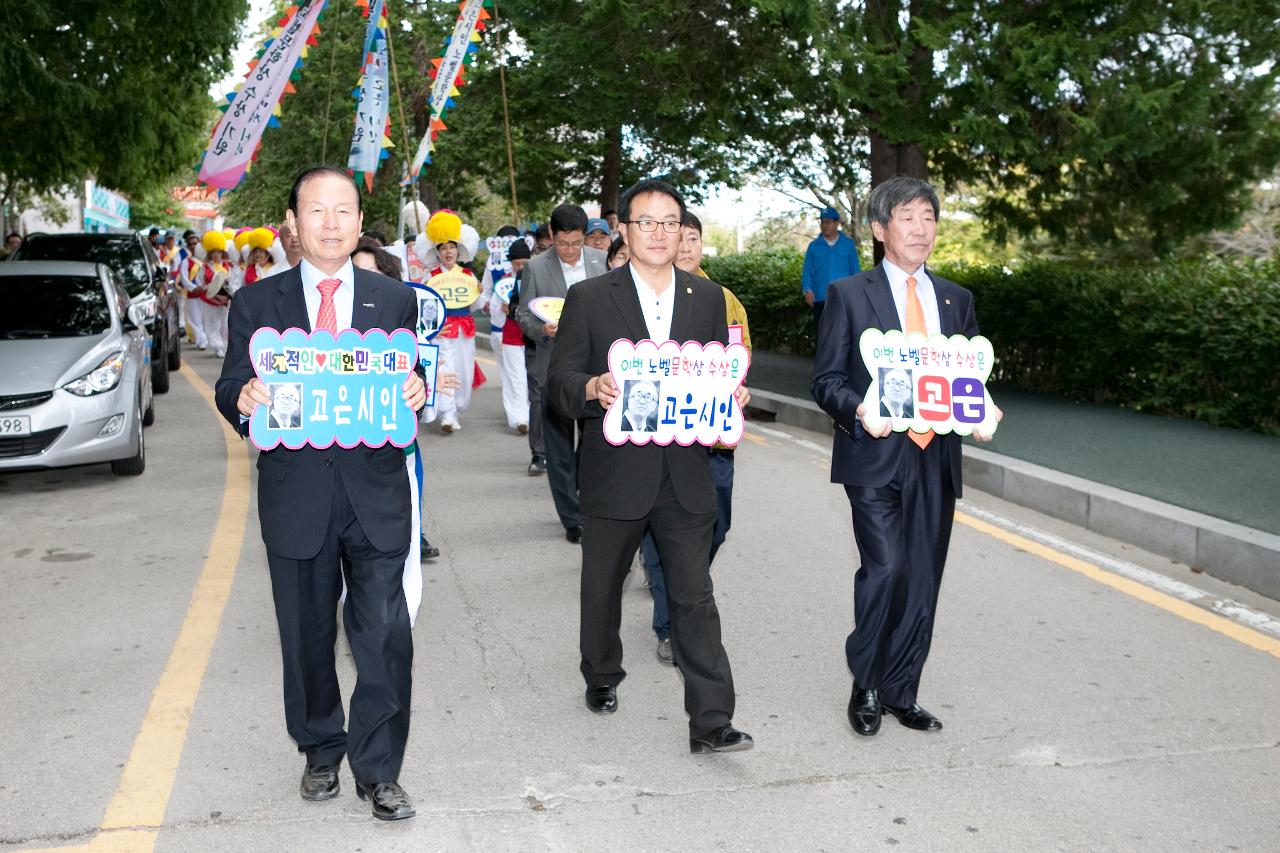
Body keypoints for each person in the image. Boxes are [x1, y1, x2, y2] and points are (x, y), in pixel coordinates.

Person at [214, 166, 427, 821]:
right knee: (305, 634)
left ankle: (380, 768)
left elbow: (407, 373)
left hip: (375, 495)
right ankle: (319, 747)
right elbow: (229, 386)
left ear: (361, 222)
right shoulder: (258, 304)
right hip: (296, 496)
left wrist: (416, 386)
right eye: (316, 211)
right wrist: (242, 398)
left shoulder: (394, 300)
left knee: (386, 633)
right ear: (293, 223)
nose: (331, 224)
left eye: (343, 211)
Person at [546, 178, 753, 754]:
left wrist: (729, 399)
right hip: (615, 472)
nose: (659, 233)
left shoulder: (706, 299)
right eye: (646, 222)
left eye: (670, 223)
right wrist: (590, 386)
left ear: (682, 232)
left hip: (685, 475)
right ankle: (601, 672)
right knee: (603, 587)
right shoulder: (591, 298)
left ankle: (712, 718)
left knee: (694, 595)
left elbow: (717, 375)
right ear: (626, 231)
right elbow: (558, 384)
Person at [810, 176, 1000, 739]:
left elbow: (968, 380)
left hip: (935, 458)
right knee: (886, 568)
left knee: (921, 578)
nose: (920, 229)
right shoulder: (849, 294)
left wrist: (983, 412)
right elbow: (825, 381)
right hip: (874, 454)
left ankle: (901, 691)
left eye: (929, 218)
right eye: (907, 217)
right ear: (879, 228)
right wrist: (860, 409)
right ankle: (864, 682)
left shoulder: (956, 300)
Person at [638, 210, 752, 665]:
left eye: (692, 239)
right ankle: (670, 624)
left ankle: (684, 587)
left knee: (714, 528)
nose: (684, 247)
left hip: (712, 439)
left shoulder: (724, 301)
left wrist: (737, 386)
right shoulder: (640, 297)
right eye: (676, 236)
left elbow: (739, 358)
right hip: (656, 442)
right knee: (665, 532)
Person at [516, 204, 608, 544]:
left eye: (576, 243)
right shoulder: (536, 268)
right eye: (563, 243)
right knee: (558, 450)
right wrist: (544, 329)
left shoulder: (601, 263)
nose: (570, 250)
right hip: (554, 369)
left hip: (596, 372)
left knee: (593, 443)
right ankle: (573, 520)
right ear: (551, 236)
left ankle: (588, 501)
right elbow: (523, 313)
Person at [420, 210, 481, 434]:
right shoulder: (431, 276)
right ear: (437, 251)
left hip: (465, 328)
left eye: (452, 247)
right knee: (446, 369)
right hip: (442, 330)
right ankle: (447, 414)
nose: (448, 251)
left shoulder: (468, 275)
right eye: (443, 247)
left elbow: (477, 304)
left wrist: (479, 292)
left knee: (464, 371)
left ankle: (457, 407)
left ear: (458, 249)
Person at [480, 229, 531, 435]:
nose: (520, 267)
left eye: (524, 264)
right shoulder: (503, 283)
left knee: (532, 379)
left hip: (534, 337)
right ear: (510, 263)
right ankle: (519, 418)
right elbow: (494, 312)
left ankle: (530, 414)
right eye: (517, 264)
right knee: (515, 377)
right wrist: (500, 310)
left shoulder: (537, 278)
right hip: (510, 337)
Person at [505, 238, 545, 474]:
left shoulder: (592, 266)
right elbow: (516, 304)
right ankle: (539, 454)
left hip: (575, 343)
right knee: (539, 397)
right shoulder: (528, 272)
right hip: (537, 343)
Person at [802, 206, 861, 329]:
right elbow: (807, 270)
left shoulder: (848, 244)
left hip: (844, 297)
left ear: (837, 223)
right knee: (823, 334)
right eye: (822, 222)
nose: (825, 225)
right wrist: (807, 289)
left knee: (844, 333)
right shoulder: (813, 246)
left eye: (828, 222)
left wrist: (857, 293)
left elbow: (855, 270)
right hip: (820, 297)